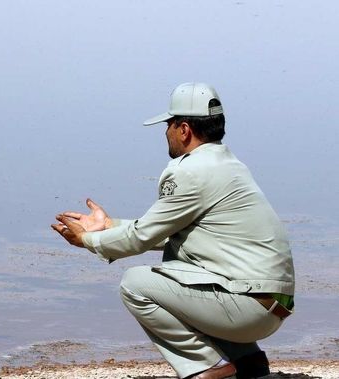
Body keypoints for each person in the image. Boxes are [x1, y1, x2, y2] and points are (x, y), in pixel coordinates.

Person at [51, 83, 295, 379]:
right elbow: (172, 231)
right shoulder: (229, 165)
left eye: (168, 124)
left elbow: (143, 236)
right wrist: (109, 226)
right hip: (269, 306)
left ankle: (208, 366)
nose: (165, 131)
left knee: (136, 283)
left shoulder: (189, 171)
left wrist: (89, 239)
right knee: (186, 270)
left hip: (247, 309)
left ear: (184, 129)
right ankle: (247, 361)